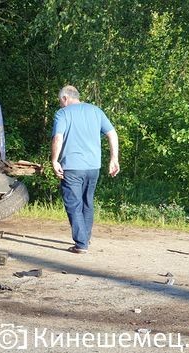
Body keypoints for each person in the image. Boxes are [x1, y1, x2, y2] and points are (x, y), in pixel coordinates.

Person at [51, 85, 119, 254]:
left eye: (60, 101)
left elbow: (58, 137)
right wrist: (114, 159)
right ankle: (85, 238)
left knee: (74, 204)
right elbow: (112, 134)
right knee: (87, 203)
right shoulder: (96, 111)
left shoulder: (63, 113)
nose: (60, 104)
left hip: (72, 167)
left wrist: (54, 160)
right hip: (93, 167)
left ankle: (81, 244)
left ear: (65, 98)